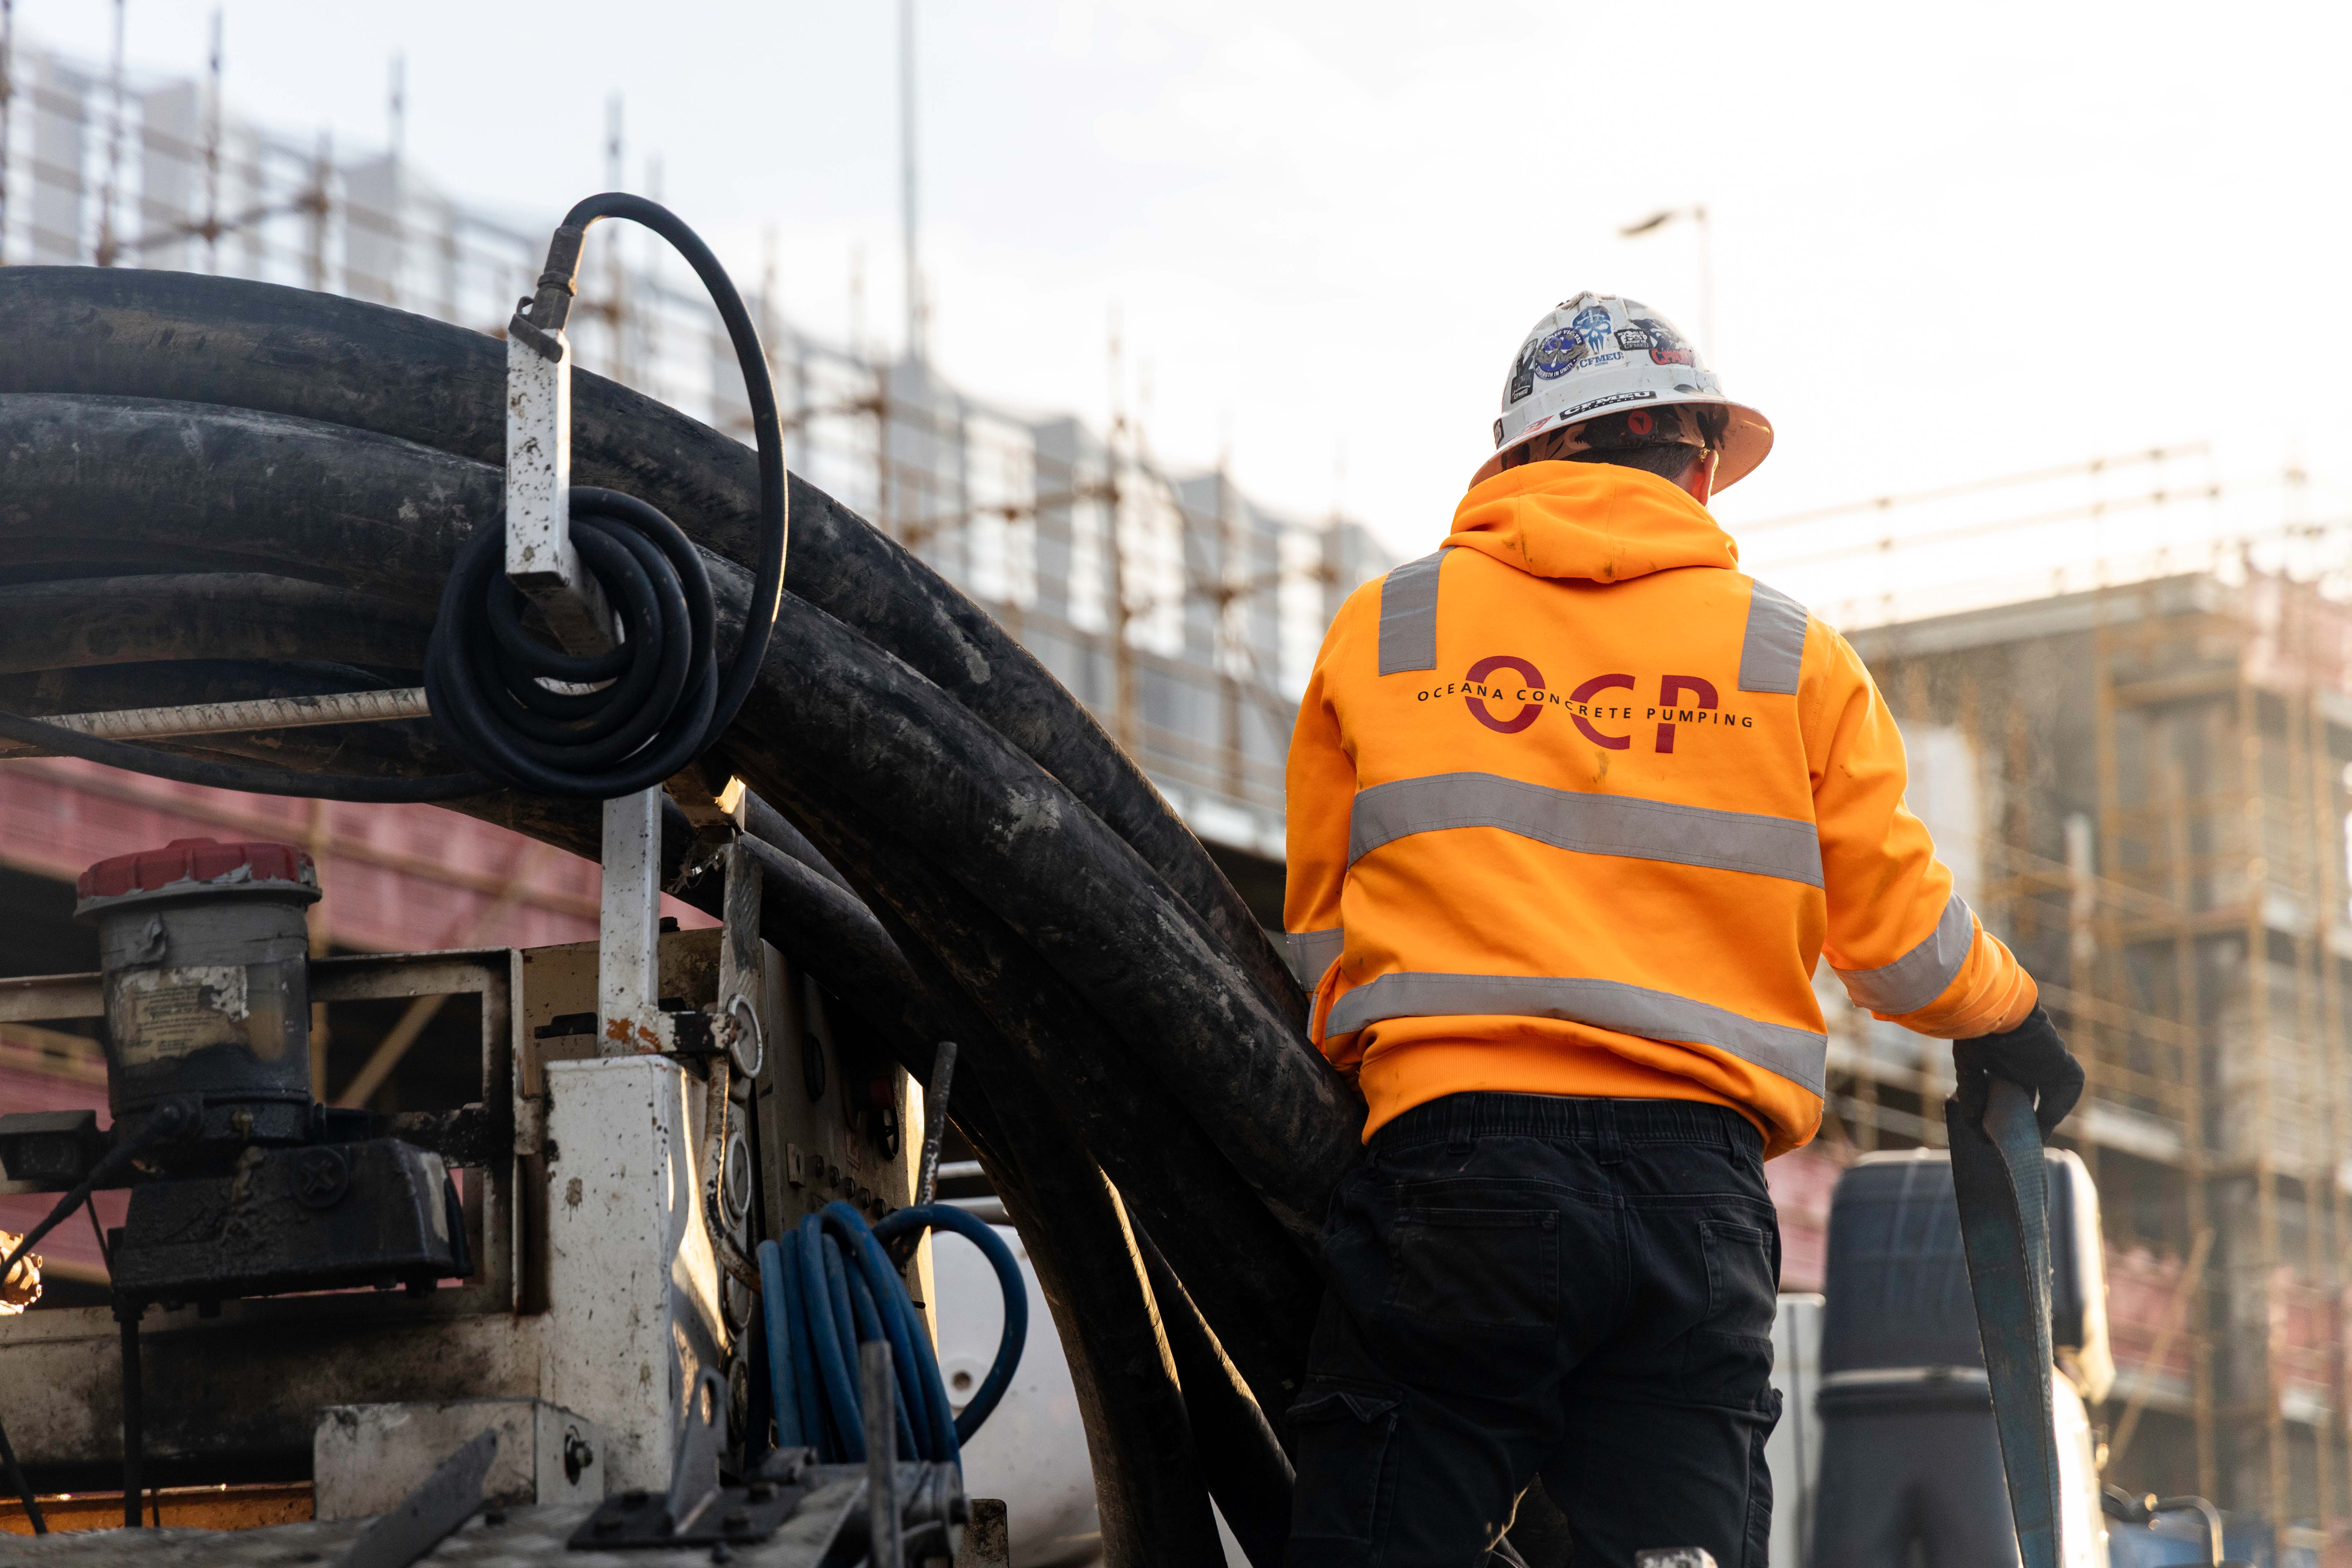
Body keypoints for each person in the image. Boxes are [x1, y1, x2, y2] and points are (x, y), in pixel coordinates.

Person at [1279, 292, 2084, 1567]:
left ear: (1516, 465)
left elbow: (1321, 939)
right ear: (1699, 466)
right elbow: (1898, 938)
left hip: (1455, 1171)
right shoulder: (1790, 657)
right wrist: (2013, 1019)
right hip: (1691, 1195)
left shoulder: (1388, 629)